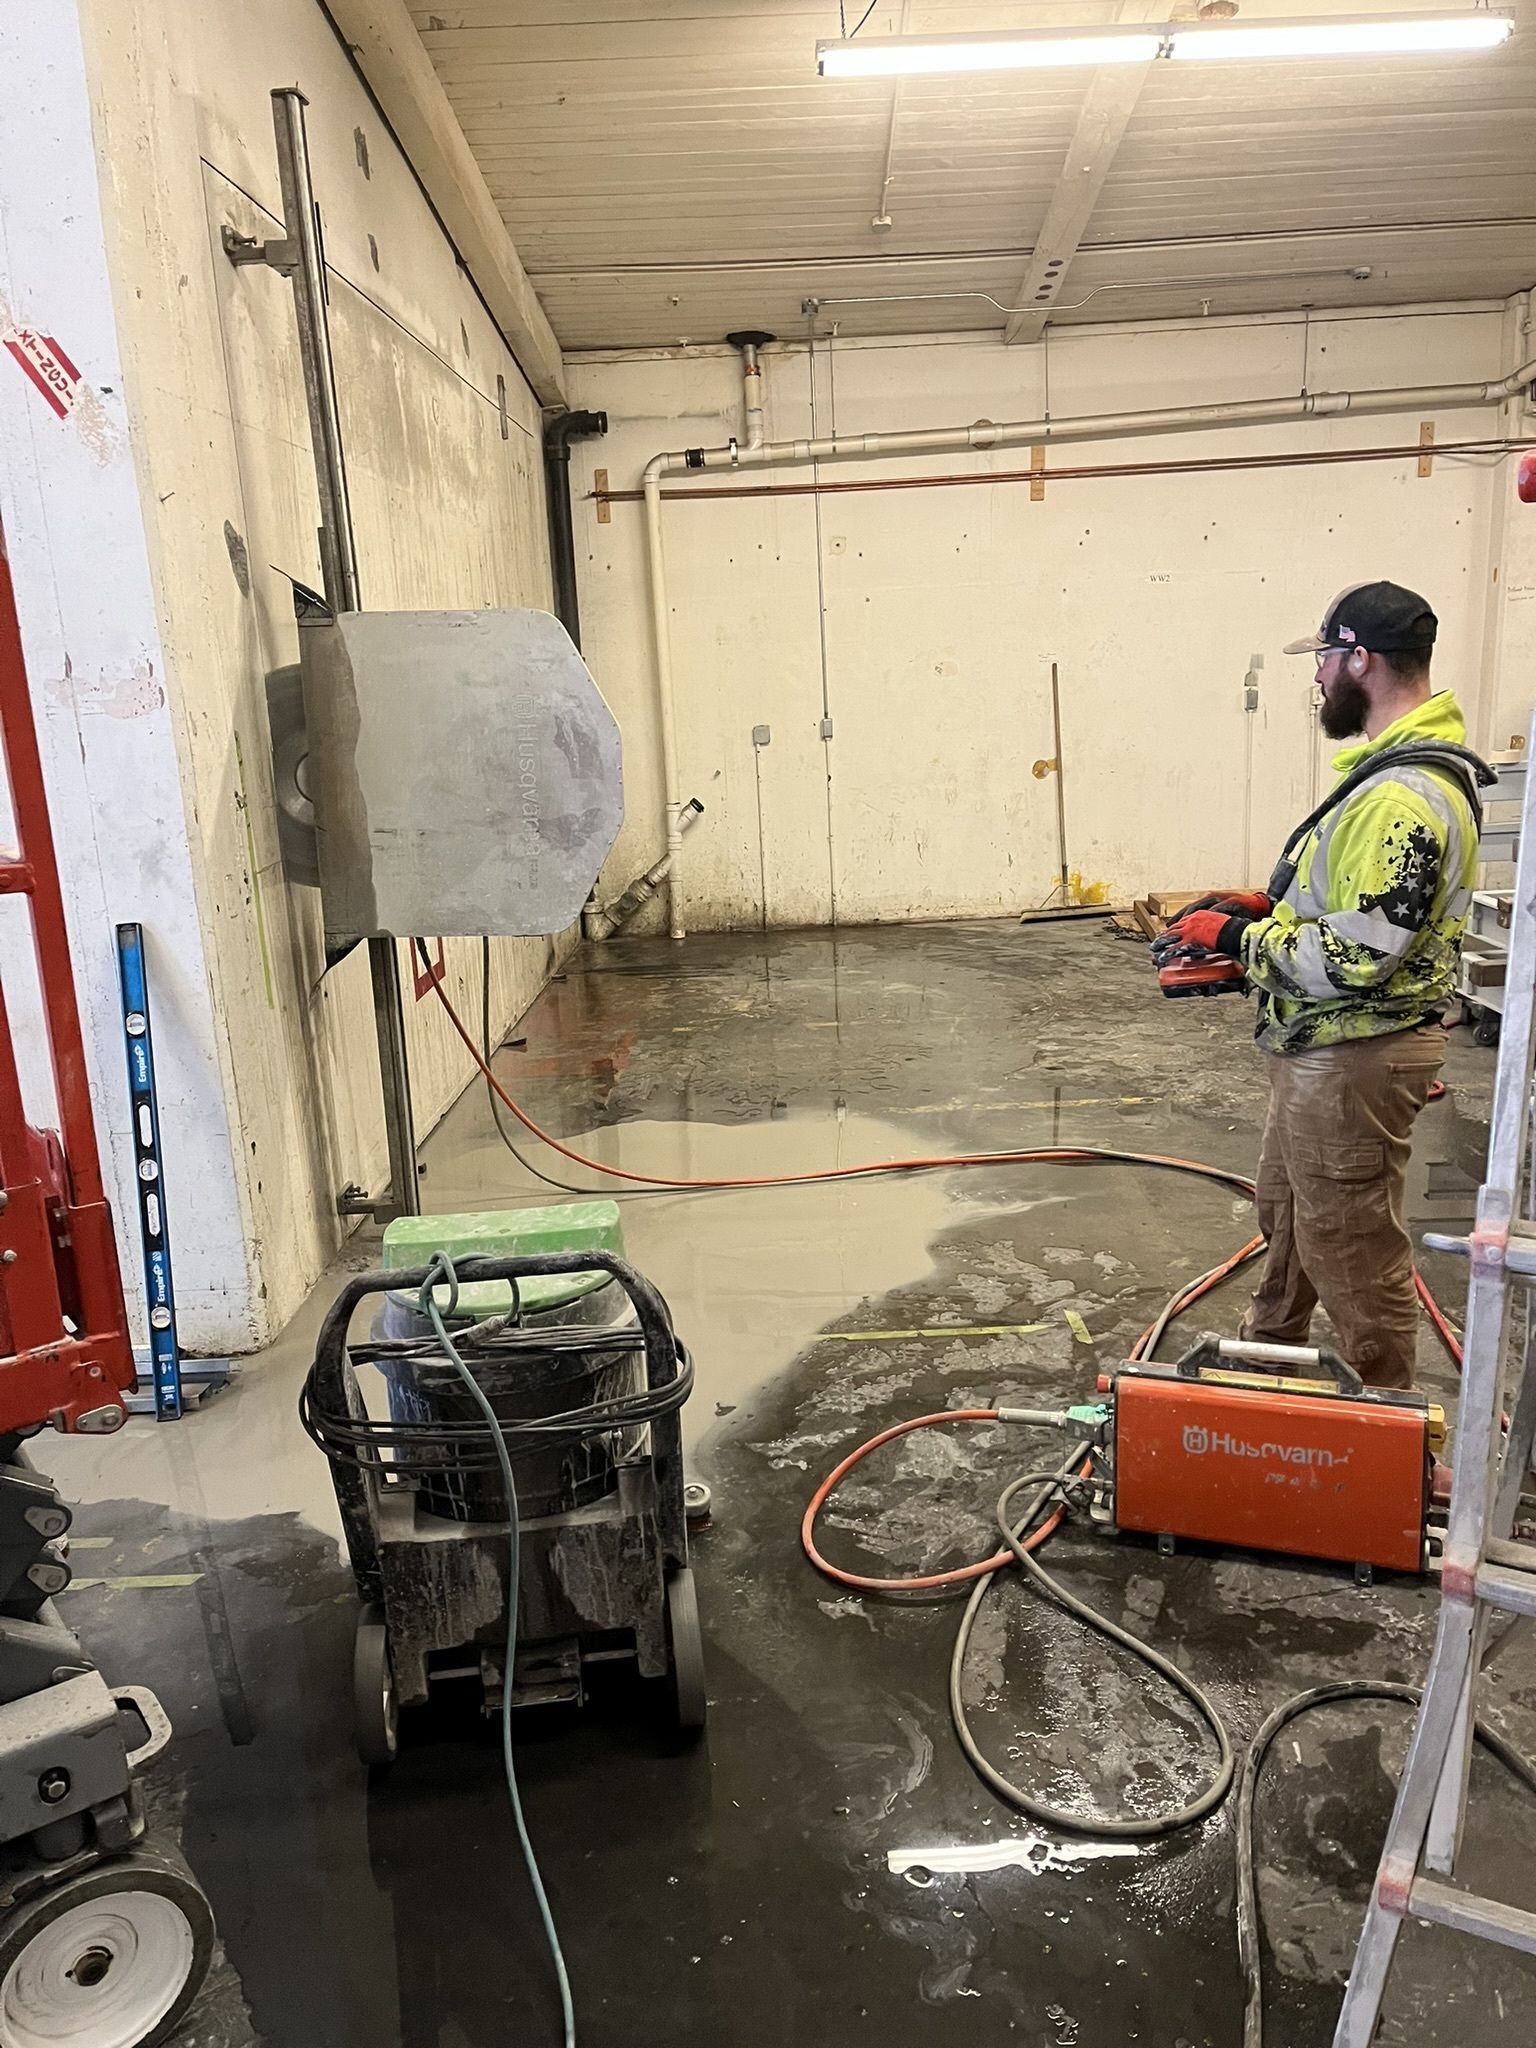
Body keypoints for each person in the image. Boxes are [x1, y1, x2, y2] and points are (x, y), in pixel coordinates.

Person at [1155, 582, 1494, 1389]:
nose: (1317, 679)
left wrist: (1236, 938)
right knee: (1293, 1216)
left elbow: (1356, 958)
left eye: (1326, 660)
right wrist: (1268, 906)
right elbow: (1352, 908)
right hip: (1324, 1050)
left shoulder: (1400, 797)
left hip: (1355, 1055)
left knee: (1350, 1244)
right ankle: (1263, 1363)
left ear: (1361, 660)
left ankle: (1390, 1425)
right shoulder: (1390, 775)